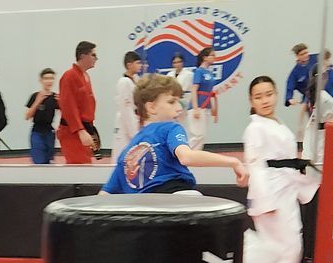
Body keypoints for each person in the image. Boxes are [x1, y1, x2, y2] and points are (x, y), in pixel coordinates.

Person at [242, 75, 319, 263]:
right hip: (270, 191)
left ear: (276, 94)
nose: (265, 100)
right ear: (251, 101)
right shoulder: (255, 128)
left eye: (268, 94)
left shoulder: (276, 123)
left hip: (286, 187)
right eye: (258, 96)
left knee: (279, 247)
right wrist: (265, 201)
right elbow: (255, 166)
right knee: (290, 247)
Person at [101, 75, 249, 194]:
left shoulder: (126, 153)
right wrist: (233, 162)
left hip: (141, 218)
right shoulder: (170, 128)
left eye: (179, 102)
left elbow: (104, 195)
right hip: (174, 201)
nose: (179, 108)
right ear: (152, 107)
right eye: (172, 102)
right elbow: (186, 157)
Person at [58, 41, 100, 164]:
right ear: (83, 56)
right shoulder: (69, 76)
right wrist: (80, 130)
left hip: (85, 129)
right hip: (72, 132)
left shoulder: (85, 76)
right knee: (79, 168)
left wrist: (89, 131)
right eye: (93, 55)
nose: (96, 58)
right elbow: (68, 106)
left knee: (85, 165)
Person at [111, 50, 145, 156]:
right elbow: (125, 108)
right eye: (138, 63)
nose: (140, 65)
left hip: (134, 119)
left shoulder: (135, 80)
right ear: (129, 65)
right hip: (125, 122)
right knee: (123, 154)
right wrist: (133, 131)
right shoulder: (124, 82)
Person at [25, 69, 60, 165]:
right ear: (41, 80)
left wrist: (62, 103)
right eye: (46, 78)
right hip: (37, 131)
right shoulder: (35, 96)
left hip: (49, 131)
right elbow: (27, 116)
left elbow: (65, 114)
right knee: (38, 160)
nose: (49, 81)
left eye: (51, 78)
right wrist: (37, 101)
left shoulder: (55, 97)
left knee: (49, 160)